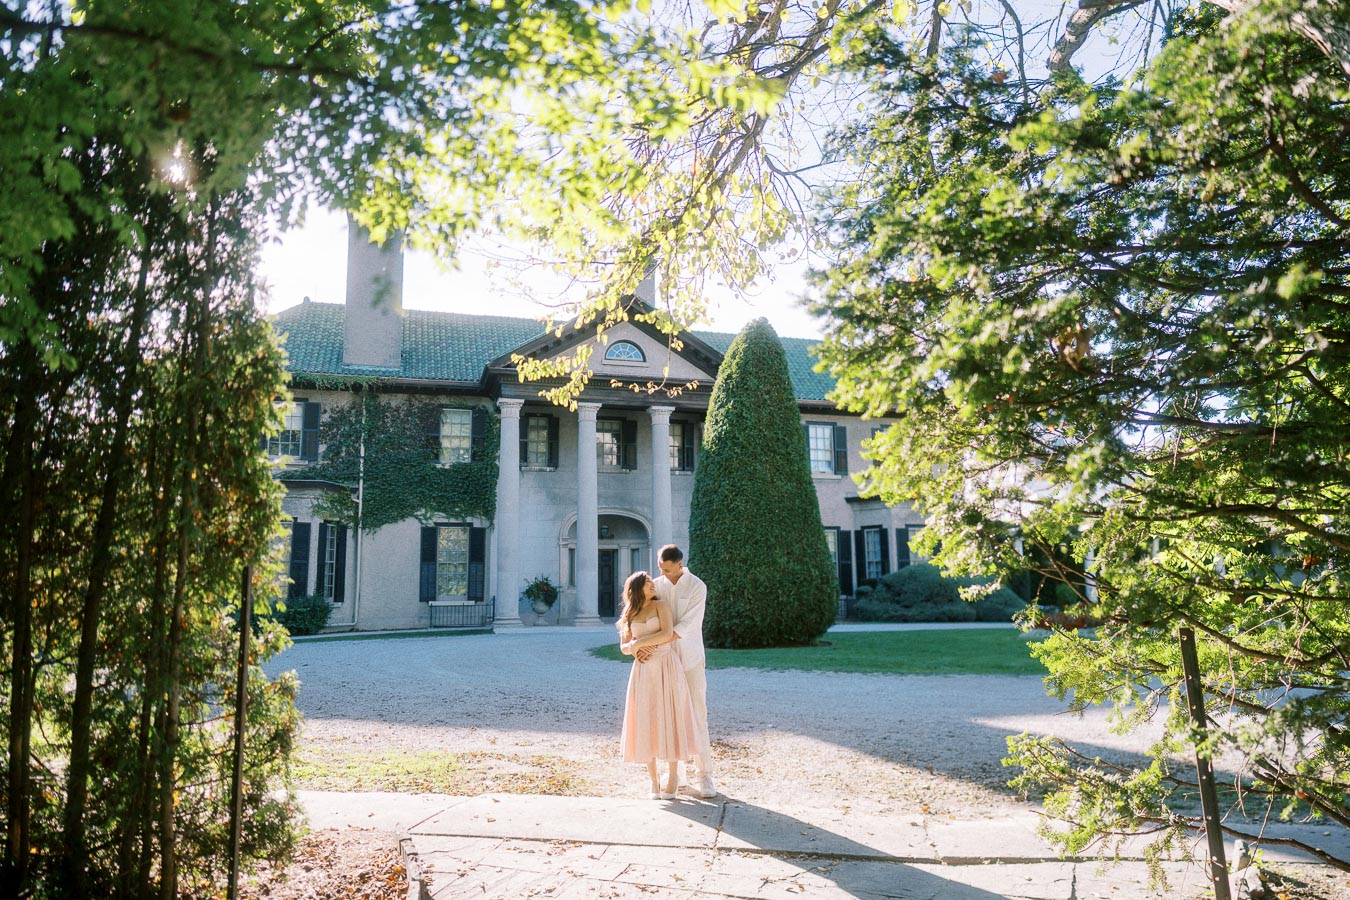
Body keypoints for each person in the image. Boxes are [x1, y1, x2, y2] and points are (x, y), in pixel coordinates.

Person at [617, 570, 706, 799]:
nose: (652, 585)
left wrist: (640, 643)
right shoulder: (630, 613)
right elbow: (624, 647)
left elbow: (667, 634)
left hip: (666, 663)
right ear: (637, 588)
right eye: (647, 583)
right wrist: (635, 648)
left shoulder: (661, 606)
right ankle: (654, 781)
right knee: (646, 718)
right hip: (643, 670)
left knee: (670, 716)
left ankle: (674, 777)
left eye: (651, 582)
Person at [645, 544, 717, 799]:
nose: (662, 573)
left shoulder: (697, 586)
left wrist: (653, 641)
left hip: (690, 660)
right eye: (659, 568)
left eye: (666, 568)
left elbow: (688, 624)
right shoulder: (655, 585)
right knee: (668, 717)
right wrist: (640, 643)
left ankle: (704, 774)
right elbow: (642, 615)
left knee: (697, 715)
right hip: (663, 662)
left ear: (679, 564)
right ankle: (678, 772)